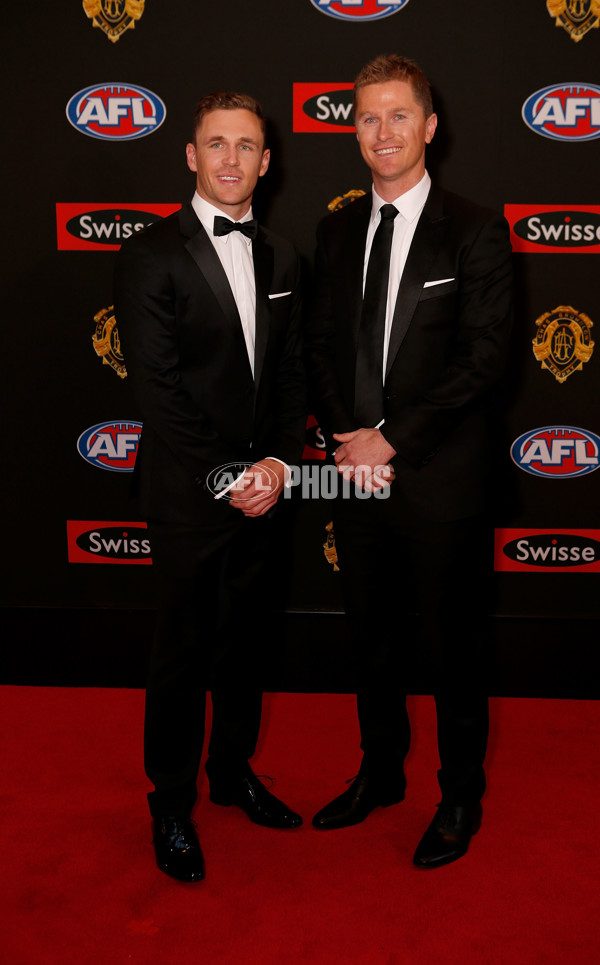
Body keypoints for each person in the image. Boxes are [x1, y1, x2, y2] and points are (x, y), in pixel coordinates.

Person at [306, 54, 513, 868]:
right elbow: (320, 347)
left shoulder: (474, 228)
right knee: (373, 642)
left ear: (430, 126)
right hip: (353, 475)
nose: (382, 133)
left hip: (437, 478)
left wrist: (390, 437)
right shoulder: (334, 228)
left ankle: (460, 794)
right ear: (352, 130)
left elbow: (484, 359)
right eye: (367, 118)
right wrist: (345, 438)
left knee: (453, 649)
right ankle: (380, 773)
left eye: (398, 116)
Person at [114, 91, 306, 882]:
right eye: (216, 143)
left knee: (246, 646)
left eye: (247, 145)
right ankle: (170, 801)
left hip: (265, 490)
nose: (232, 159)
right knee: (183, 655)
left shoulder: (284, 254)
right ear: (190, 156)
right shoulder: (149, 255)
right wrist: (228, 476)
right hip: (193, 495)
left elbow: (290, 373)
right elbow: (158, 391)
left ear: (267, 161)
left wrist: (280, 466)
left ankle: (230, 773)